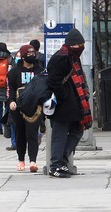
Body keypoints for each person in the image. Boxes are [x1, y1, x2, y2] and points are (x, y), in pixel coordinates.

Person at [47, 28, 92, 178]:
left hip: (72, 104)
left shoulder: (72, 56)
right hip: (63, 105)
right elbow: (53, 81)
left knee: (77, 130)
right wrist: (63, 96)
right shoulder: (62, 57)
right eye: (79, 45)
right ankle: (56, 165)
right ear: (72, 45)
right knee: (59, 135)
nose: (81, 48)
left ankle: (62, 162)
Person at [7, 44, 44, 172]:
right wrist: (11, 101)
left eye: (33, 54)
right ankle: (21, 160)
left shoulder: (40, 71)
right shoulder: (14, 72)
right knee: (20, 134)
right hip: (18, 108)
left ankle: (33, 161)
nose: (31, 56)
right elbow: (9, 89)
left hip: (35, 108)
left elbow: (44, 87)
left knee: (32, 134)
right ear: (22, 57)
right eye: (28, 55)